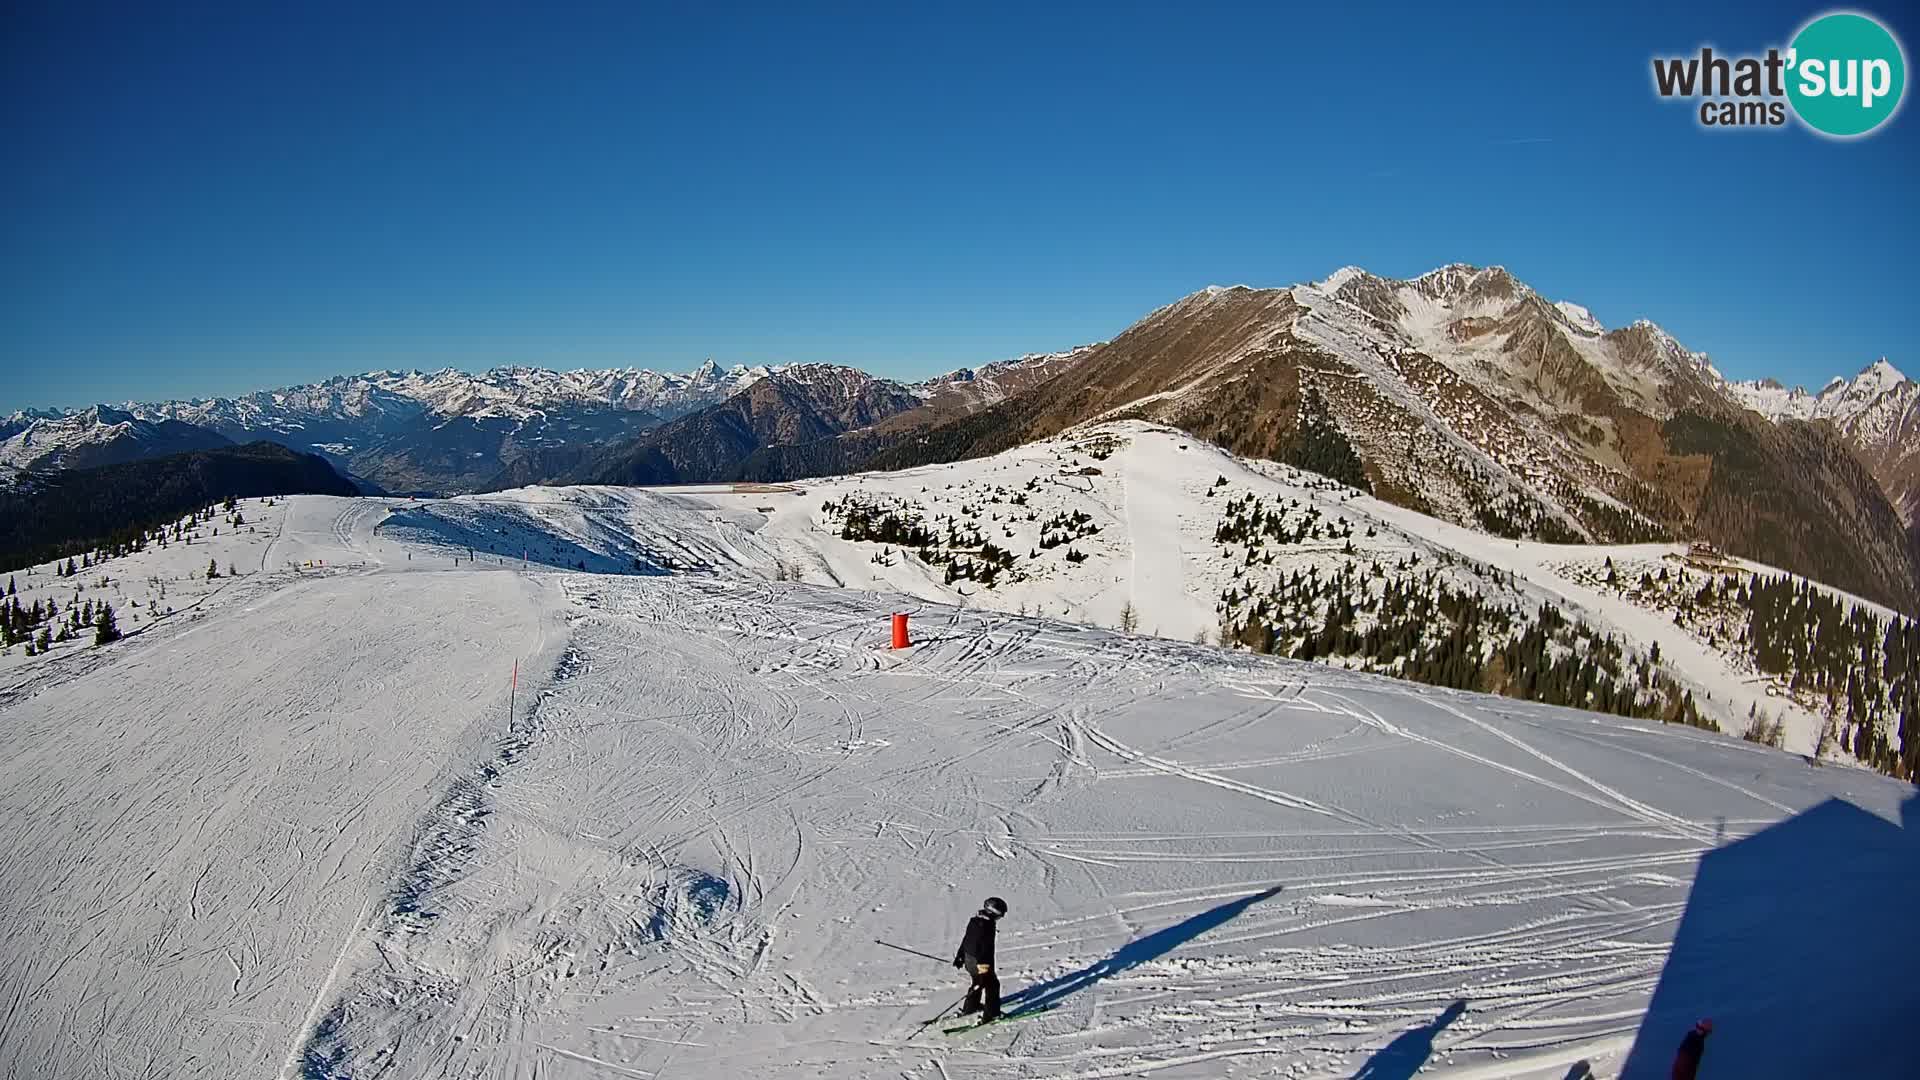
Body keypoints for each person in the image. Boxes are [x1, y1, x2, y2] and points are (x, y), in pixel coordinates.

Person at [953, 896, 1008, 1023]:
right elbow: (982, 948)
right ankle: (992, 1014)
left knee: (977, 983)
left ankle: (971, 1007)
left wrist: (960, 956)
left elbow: (967, 940)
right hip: (980, 962)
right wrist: (983, 967)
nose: (1000, 918)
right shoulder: (986, 925)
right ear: (992, 912)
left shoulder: (975, 921)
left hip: (969, 959)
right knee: (992, 985)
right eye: (1000, 915)